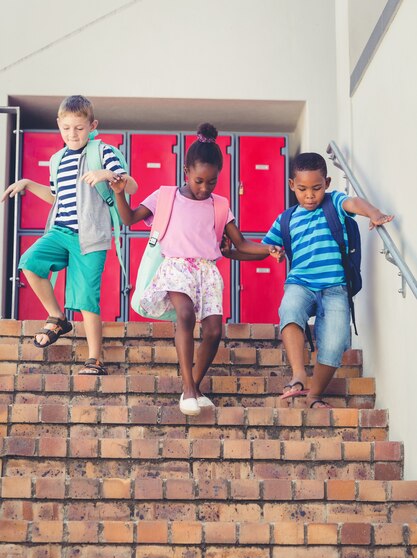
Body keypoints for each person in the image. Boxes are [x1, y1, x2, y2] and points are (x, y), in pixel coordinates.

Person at [110, 122, 279, 416]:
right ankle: (188, 389)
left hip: (207, 272)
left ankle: (194, 387)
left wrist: (269, 249)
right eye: (199, 180)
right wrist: (121, 194)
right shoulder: (166, 196)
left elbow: (241, 244)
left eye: (211, 182)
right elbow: (128, 219)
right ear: (186, 171)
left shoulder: (221, 205)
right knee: (186, 315)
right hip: (175, 266)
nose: (204, 188)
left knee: (214, 331)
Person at [225, 151, 394, 408]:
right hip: (300, 283)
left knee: (336, 341)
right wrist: (232, 253)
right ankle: (298, 375)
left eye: (316, 188)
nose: (310, 195)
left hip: (335, 288)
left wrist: (374, 213)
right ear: (292, 185)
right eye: (302, 189)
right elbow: (261, 250)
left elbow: (355, 203)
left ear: (326, 183)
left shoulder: (334, 203)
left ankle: (314, 395)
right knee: (290, 309)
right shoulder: (287, 219)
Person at [1, 95, 138, 375]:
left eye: (79, 127)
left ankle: (94, 358)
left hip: (91, 238)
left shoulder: (104, 153)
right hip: (60, 232)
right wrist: (27, 183)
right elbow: (56, 197)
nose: (72, 134)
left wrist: (106, 175)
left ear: (92, 125)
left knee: (87, 299)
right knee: (29, 262)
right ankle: (58, 317)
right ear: (58, 126)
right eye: (66, 128)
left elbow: (132, 186)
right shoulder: (57, 159)